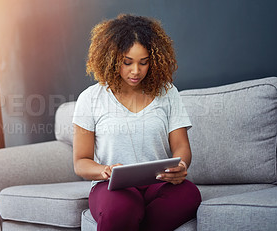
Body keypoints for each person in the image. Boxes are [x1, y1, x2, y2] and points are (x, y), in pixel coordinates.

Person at [72, 14, 201, 231]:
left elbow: (181, 147)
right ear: (112, 59)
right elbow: (81, 162)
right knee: (121, 209)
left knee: (189, 193)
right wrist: (105, 170)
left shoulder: (167, 93)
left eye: (144, 62)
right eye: (127, 62)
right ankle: (132, 215)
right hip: (111, 187)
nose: (136, 71)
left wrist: (181, 166)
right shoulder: (90, 98)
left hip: (159, 184)